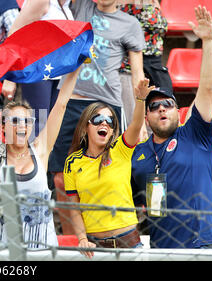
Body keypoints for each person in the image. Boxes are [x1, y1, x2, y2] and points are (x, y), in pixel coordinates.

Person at [0, 43, 81, 248]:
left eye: (27, 121)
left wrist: (78, 64)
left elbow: (62, 103)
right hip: (3, 246)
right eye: (15, 121)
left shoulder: (40, 151)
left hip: (43, 245)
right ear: (3, 127)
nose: (22, 126)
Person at [48, 0, 145, 235]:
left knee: (104, 172)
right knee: (60, 176)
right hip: (71, 100)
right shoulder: (81, 6)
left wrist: (139, 118)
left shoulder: (130, 24)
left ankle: (101, 234)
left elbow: (137, 74)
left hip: (107, 104)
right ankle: (74, 239)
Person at [131, 5, 212, 248]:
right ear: (146, 118)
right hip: (163, 248)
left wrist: (208, 40)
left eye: (168, 104)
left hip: (205, 243)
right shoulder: (138, 154)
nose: (161, 108)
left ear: (178, 112)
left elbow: (208, 88)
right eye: (154, 106)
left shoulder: (195, 134)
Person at [63, 78, 153, 258]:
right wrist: (81, 238)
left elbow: (135, 124)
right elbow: (73, 208)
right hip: (93, 248)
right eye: (98, 119)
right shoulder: (72, 162)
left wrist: (141, 100)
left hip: (129, 243)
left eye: (110, 121)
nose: (104, 123)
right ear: (85, 126)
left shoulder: (121, 149)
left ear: (112, 130)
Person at [7, 0, 74, 136]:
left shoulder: (66, 5)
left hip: (57, 74)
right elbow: (15, 32)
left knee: (50, 127)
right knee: (36, 126)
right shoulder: (42, 1)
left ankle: (41, 157)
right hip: (37, 71)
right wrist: (10, 78)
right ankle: (28, 157)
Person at [118, 0, 172, 130]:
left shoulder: (153, 4)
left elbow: (160, 29)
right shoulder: (121, 6)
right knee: (134, 119)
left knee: (164, 116)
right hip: (130, 66)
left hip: (155, 66)